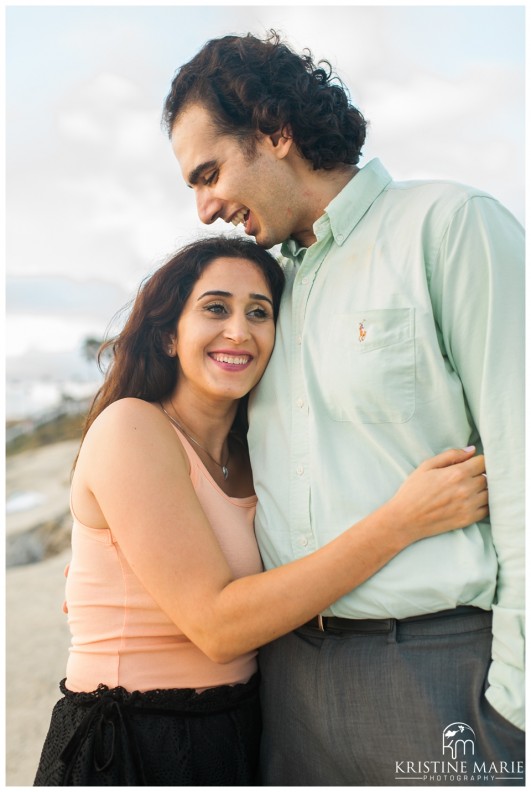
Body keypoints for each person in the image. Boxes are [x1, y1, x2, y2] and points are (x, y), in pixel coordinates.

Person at [162, 31, 525, 786]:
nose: (202, 209)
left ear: (274, 130)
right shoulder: (263, 298)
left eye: (208, 173)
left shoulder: (450, 226)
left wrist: (515, 698)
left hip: (439, 671)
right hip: (287, 689)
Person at [34, 236, 488, 786]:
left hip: (243, 727)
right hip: (134, 737)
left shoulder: (258, 454)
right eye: (215, 308)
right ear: (167, 336)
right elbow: (219, 627)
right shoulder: (133, 426)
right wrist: (404, 521)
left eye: (259, 312)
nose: (239, 331)